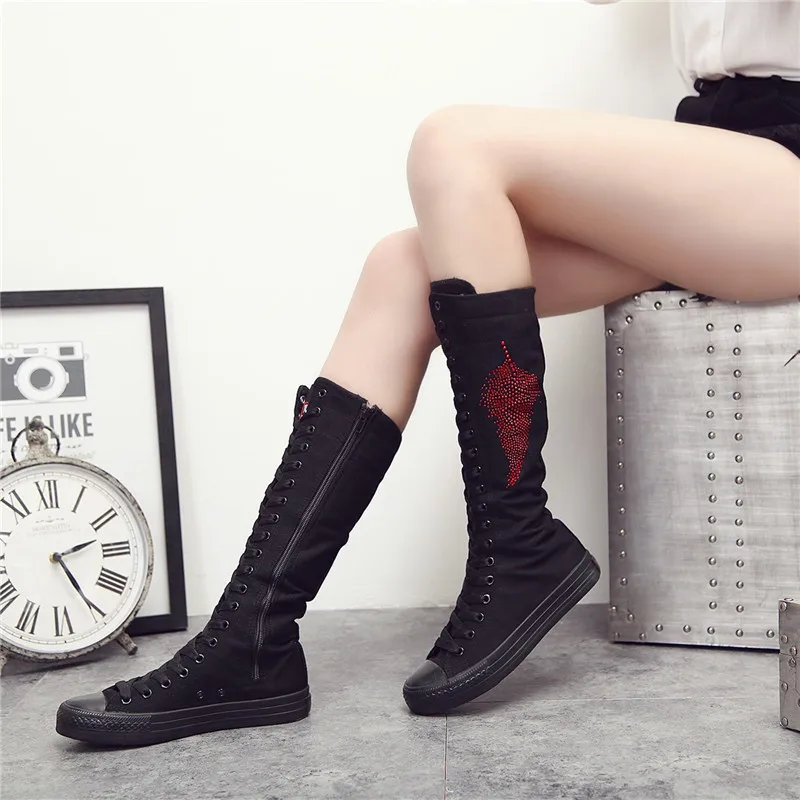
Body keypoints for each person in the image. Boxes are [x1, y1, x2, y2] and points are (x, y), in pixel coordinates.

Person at [56, 0, 800, 746]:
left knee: (453, 144)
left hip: (783, 164)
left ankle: (517, 539)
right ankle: (250, 637)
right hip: (712, 163)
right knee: (399, 270)